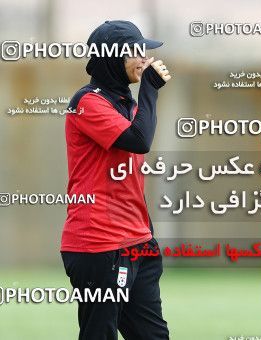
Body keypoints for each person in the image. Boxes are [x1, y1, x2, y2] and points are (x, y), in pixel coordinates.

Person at [60, 20, 171, 339]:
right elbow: (139, 140)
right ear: (111, 59)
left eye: (144, 51)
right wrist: (150, 88)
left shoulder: (128, 104)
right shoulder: (87, 103)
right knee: (99, 333)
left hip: (137, 243)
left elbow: (129, 179)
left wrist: (147, 232)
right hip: (100, 245)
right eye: (134, 52)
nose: (144, 58)